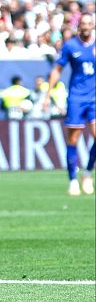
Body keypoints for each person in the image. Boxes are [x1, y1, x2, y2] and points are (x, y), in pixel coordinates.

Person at [43, 13, 95, 196]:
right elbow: (57, 70)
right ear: (79, 26)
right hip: (76, 98)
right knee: (73, 140)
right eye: (84, 24)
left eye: (89, 23)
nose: (87, 26)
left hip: (94, 98)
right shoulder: (71, 46)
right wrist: (48, 93)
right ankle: (73, 179)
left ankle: (87, 172)